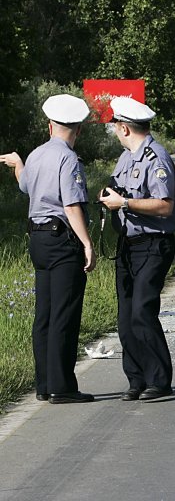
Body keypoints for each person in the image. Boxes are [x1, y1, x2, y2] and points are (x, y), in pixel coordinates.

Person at [0, 94, 96, 404]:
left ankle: (43, 384)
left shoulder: (37, 154)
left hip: (38, 240)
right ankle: (62, 386)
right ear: (77, 129)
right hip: (61, 240)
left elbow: (26, 186)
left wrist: (19, 165)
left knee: (44, 314)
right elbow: (71, 205)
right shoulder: (68, 159)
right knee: (64, 314)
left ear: (49, 125)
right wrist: (87, 243)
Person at [98, 97, 175, 401]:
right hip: (128, 244)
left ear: (124, 127)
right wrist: (109, 196)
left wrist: (126, 203)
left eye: (116, 127)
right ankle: (137, 379)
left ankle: (159, 380)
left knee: (142, 312)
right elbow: (119, 188)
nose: (115, 132)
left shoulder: (155, 158)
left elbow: (165, 206)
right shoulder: (126, 157)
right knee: (125, 317)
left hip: (153, 243)